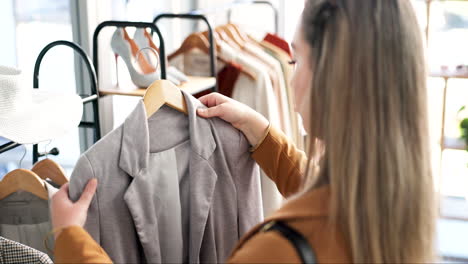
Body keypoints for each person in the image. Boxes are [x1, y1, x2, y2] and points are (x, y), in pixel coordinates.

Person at [50, 0, 436, 262]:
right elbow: (322, 188)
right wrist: (262, 132)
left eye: (297, 59)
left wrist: (69, 237)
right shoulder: (395, 206)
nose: (289, 73)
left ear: (332, 81)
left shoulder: (278, 250)